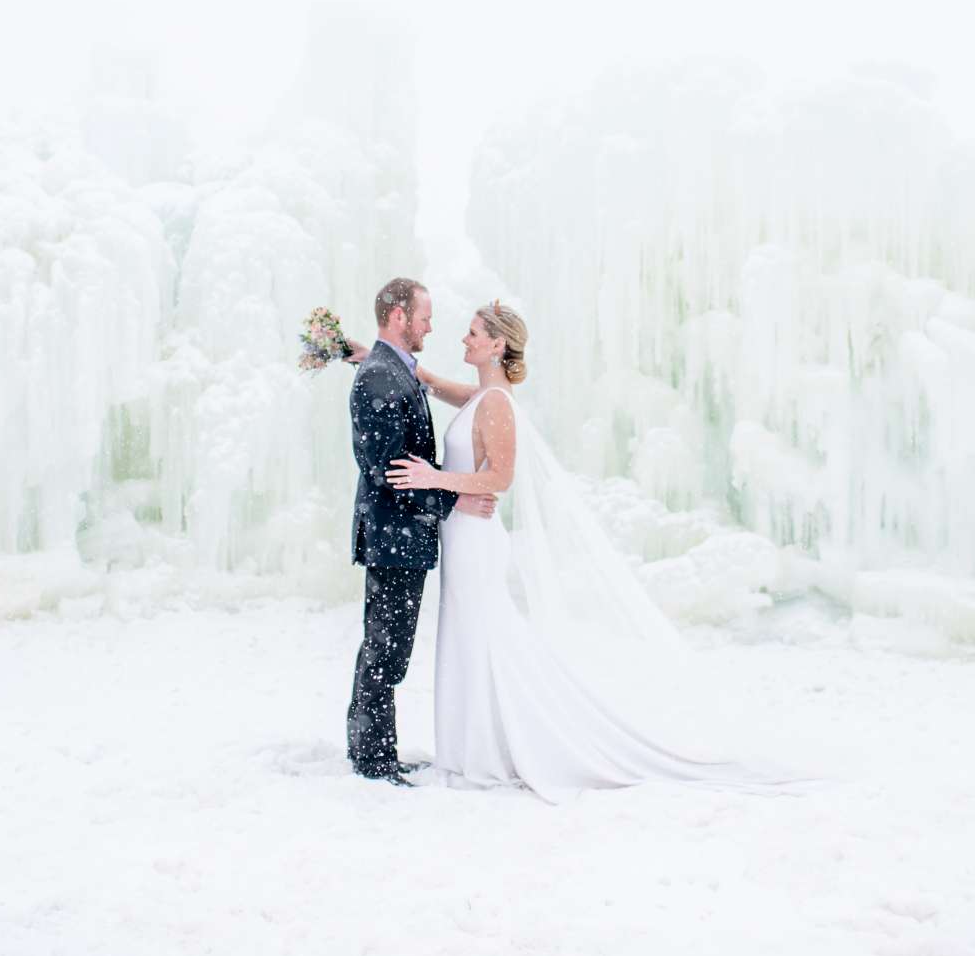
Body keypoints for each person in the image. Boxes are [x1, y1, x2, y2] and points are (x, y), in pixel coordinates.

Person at [388, 302, 802, 803]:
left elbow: (500, 476)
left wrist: (437, 479)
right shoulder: (481, 396)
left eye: (474, 334)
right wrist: (368, 353)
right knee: (468, 640)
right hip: (462, 536)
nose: (464, 339)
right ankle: (471, 747)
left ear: (498, 344)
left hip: (476, 542)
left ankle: (490, 750)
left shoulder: (497, 402)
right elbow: (434, 382)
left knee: (483, 640)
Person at [343, 278, 496, 785]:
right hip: (393, 537)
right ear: (398, 316)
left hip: (400, 536)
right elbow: (391, 470)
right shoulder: (380, 376)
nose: (431, 325)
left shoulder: (391, 369)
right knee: (385, 649)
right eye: (424, 317)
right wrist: (456, 498)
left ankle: (374, 748)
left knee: (387, 647)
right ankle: (372, 759)